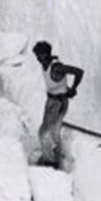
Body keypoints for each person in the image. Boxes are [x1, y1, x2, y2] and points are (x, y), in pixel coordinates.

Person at [33, 40, 83, 168]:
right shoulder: (46, 63)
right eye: (37, 55)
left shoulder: (56, 67)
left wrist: (73, 89)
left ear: (46, 54)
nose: (38, 58)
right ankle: (55, 159)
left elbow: (79, 72)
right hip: (53, 100)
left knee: (44, 133)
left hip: (57, 103)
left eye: (40, 55)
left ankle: (50, 162)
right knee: (54, 131)